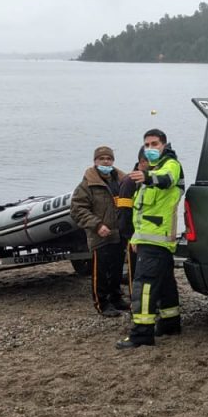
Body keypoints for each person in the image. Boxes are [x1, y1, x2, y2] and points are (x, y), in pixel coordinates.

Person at [116, 129, 184, 349]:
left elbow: (166, 180)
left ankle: (142, 333)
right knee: (164, 283)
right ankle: (170, 322)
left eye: (155, 144)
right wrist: (134, 236)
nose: (151, 148)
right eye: (147, 145)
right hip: (150, 238)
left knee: (144, 285)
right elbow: (139, 211)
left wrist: (146, 177)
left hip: (156, 238)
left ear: (164, 144)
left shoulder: (170, 165)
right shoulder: (152, 170)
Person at [70, 145, 129, 317]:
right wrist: (97, 225)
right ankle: (101, 303)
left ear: (113, 161)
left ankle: (116, 297)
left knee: (117, 268)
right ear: (95, 161)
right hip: (100, 235)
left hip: (119, 234)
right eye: (102, 159)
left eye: (108, 159)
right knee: (100, 271)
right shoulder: (87, 184)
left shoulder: (121, 180)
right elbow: (77, 209)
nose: (105, 161)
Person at [116, 147, 149, 291]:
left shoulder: (149, 180)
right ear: (142, 162)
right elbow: (124, 212)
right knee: (135, 272)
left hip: (148, 233)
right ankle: (134, 301)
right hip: (134, 235)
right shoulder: (130, 182)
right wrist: (130, 236)